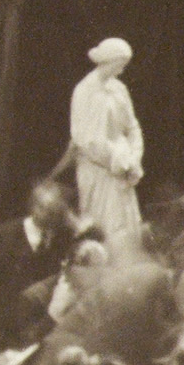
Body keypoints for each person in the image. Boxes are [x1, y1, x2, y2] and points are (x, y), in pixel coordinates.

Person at [65, 34, 145, 252]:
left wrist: (134, 159)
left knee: (126, 229)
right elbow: (87, 140)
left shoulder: (119, 89)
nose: (122, 70)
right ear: (108, 61)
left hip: (122, 168)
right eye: (121, 64)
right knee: (103, 227)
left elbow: (133, 127)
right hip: (99, 170)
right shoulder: (84, 91)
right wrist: (118, 162)